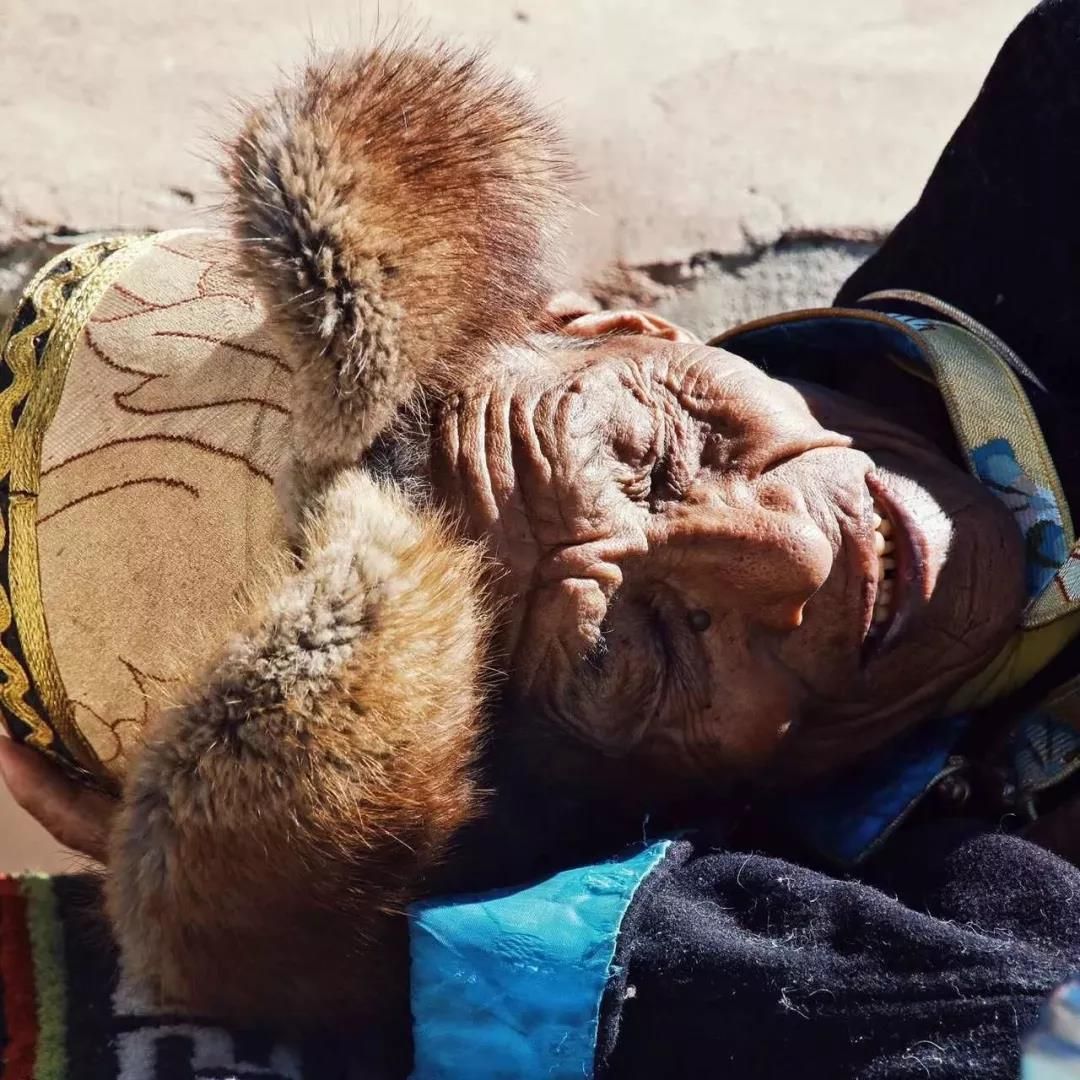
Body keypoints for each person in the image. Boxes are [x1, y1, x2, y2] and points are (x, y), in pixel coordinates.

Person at [5, 2, 1080, 1077]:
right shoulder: (910, 939)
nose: (793, 551)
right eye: (645, 651)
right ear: (608, 819)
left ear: (613, 325)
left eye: (656, 449)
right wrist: (322, 917)